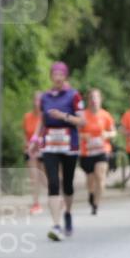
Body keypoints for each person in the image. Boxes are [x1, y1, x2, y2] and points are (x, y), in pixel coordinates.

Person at [29, 62, 85, 240]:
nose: (58, 77)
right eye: (55, 74)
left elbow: (82, 121)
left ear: (65, 76)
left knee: (67, 184)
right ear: (51, 76)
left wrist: (63, 116)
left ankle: (67, 212)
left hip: (69, 144)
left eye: (61, 74)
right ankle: (56, 225)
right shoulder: (45, 97)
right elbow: (42, 120)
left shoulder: (74, 95)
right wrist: (35, 139)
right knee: (53, 182)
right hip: (50, 144)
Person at [79, 88, 116, 215]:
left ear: (100, 99)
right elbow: (75, 133)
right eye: (91, 98)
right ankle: (91, 193)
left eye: (96, 97)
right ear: (88, 100)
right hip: (87, 152)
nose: (94, 100)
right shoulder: (82, 116)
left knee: (100, 176)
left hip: (102, 150)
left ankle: (96, 204)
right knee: (90, 180)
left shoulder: (105, 115)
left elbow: (113, 132)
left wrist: (107, 134)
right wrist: (84, 136)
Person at [22, 91, 46, 214]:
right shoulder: (27, 117)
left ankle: (58, 197)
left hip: (44, 150)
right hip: (31, 151)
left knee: (45, 178)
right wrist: (26, 144)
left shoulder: (46, 117)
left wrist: (41, 142)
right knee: (34, 177)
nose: (37, 103)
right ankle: (36, 204)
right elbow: (25, 134)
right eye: (35, 100)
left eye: (40, 100)